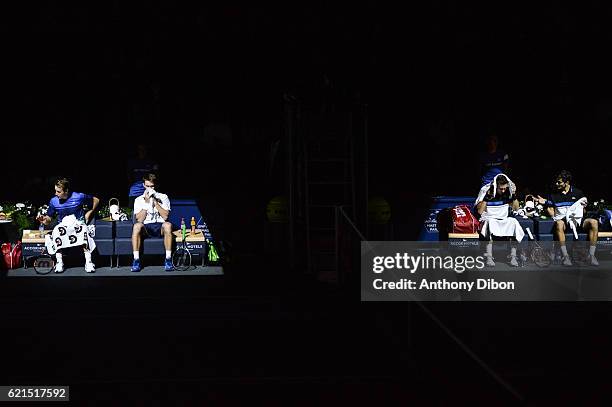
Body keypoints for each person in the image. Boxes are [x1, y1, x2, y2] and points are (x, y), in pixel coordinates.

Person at [36, 177, 100, 273]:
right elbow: (49, 219)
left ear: (66, 191)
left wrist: (89, 212)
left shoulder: (79, 197)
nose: (55, 194)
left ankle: (88, 262)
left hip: (78, 223)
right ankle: (59, 262)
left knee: (84, 230)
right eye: (55, 191)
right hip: (63, 225)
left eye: (58, 191)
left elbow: (96, 200)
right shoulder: (54, 201)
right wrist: (44, 220)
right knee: (56, 231)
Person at [536, 170, 599, 266]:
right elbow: (548, 205)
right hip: (563, 221)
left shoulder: (578, 193)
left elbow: (584, 211)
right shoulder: (553, 194)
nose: (557, 184)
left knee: (594, 222)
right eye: (556, 181)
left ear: (567, 182)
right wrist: (543, 202)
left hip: (577, 220)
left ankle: (591, 255)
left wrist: (584, 207)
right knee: (559, 223)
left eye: (559, 182)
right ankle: (565, 256)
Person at [475, 173, 524, 267]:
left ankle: (513, 257)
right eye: (501, 188)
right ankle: (489, 257)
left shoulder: (508, 192)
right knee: (490, 223)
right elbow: (480, 211)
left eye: (505, 188)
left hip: (503, 219)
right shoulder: (486, 190)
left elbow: (516, 208)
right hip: (489, 218)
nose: (503, 190)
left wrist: (513, 195)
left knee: (514, 222)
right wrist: (486, 198)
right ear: (495, 186)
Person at [130, 173, 173, 272]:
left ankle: (168, 259)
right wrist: (146, 203)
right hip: (146, 227)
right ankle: (136, 260)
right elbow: (140, 219)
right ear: (144, 185)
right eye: (148, 186)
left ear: (155, 186)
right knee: (136, 226)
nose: (150, 188)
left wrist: (155, 203)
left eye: (152, 186)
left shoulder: (164, 197)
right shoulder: (138, 200)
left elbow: (165, 216)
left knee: (168, 225)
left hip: (160, 226)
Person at [127, 144, 159, 209]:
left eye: (144, 150)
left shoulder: (151, 161)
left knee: (150, 209)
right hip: (135, 191)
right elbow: (129, 176)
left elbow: (155, 175)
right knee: (134, 212)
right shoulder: (132, 161)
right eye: (140, 150)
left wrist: (150, 187)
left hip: (149, 190)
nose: (142, 151)